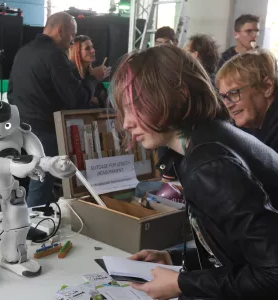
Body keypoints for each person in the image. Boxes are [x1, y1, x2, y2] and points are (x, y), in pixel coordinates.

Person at [110, 44, 278, 299]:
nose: (126, 122)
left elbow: (272, 273)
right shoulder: (210, 139)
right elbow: (239, 250)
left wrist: (182, 283)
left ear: (177, 95)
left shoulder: (209, 164)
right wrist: (173, 257)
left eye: (136, 106)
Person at [8, 12, 110, 207]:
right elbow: (77, 99)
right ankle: (30, 229)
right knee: (41, 183)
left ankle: (28, 222)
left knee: (34, 180)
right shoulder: (54, 55)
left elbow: (11, 92)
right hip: (45, 130)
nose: (72, 41)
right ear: (60, 30)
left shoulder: (23, 52)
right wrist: (92, 79)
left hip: (22, 127)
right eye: (72, 35)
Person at [216, 49, 278, 153]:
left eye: (234, 93)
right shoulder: (253, 123)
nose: (227, 105)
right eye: (224, 96)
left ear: (267, 87)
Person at [68, 35, 110, 108]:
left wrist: (96, 100)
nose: (93, 50)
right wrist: (94, 77)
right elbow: (79, 100)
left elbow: (106, 101)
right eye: (87, 48)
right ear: (77, 52)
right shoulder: (70, 73)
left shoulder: (91, 74)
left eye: (92, 47)